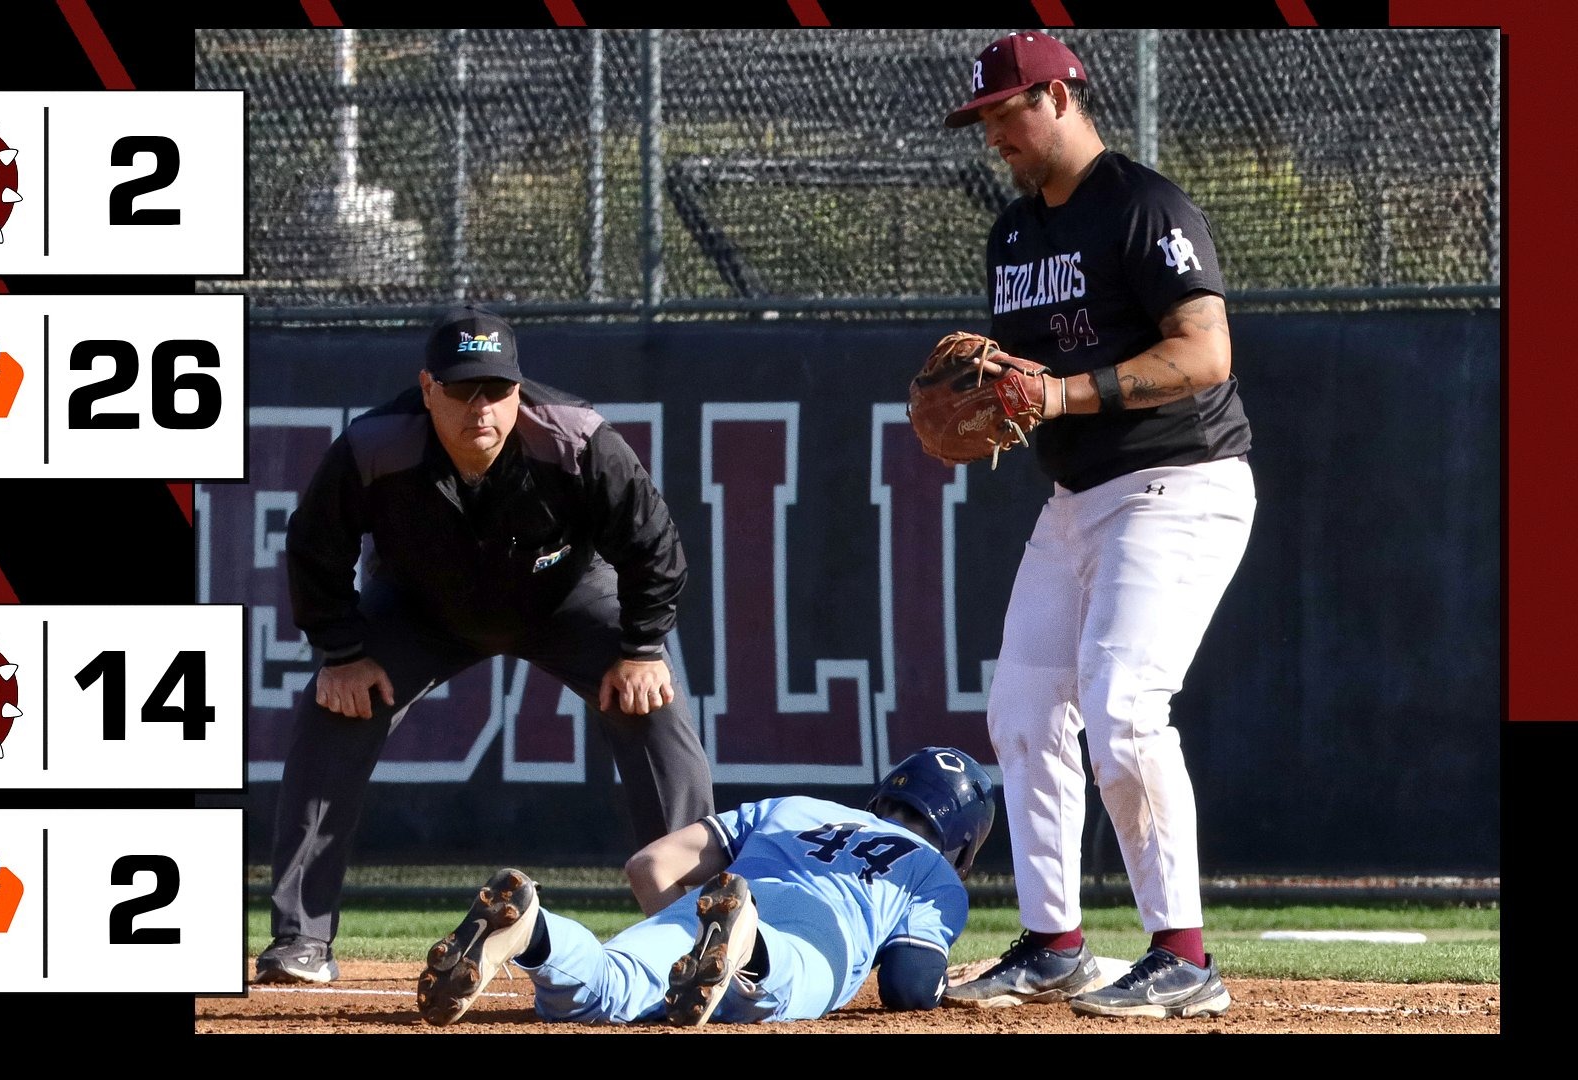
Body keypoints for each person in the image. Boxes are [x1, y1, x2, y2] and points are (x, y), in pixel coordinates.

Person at [255, 304, 716, 985]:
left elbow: (655, 546)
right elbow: (314, 547)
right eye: (462, 389)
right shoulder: (375, 444)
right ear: (427, 388)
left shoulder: (577, 437)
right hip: (419, 607)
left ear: (517, 390)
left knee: (652, 705)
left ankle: (700, 929)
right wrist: (342, 654)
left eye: (496, 390)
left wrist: (643, 648)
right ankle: (301, 938)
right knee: (336, 710)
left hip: (564, 598)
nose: (481, 408)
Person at [937, 31, 1255, 1020]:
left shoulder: (1145, 207)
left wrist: (1061, 394)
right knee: (1024, 713)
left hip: (1179, 485)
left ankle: (1184, 958)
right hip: (1077, 500)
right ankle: (1053, 944)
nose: (993, 134)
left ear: (1060, 96)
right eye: (982, 119)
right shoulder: (1013, 235)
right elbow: (1022, 385)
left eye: (1006, 112)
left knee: (1123, 706)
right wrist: (986, 402)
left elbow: (1204, 355)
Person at [415, 747, 996, 1027]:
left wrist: (691, 943)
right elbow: (907, 986)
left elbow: (650, 865)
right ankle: (747, 949)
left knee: (609, 987)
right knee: (772, 984)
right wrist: (947, 981)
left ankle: (533, 933)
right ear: (963, 842)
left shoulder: (796, 806)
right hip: (816, 930)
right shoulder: (935, 873)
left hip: (721, 898)